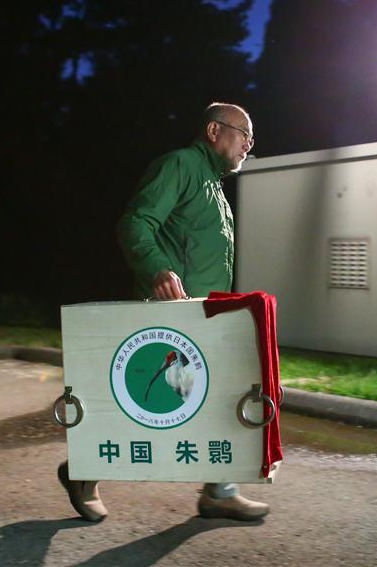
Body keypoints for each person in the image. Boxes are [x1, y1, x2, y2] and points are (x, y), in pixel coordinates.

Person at [58, 102, 269, 522]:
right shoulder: (179, 165)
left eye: (251, 137)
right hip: (167, 315)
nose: (249, 143)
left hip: (204, 317)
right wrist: (156, 268)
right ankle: (83, 471)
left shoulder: (215, 186)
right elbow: (135, 223)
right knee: (151, 401)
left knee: (219, 398)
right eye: (243, 133)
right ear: (214, 130)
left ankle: (220, 490)